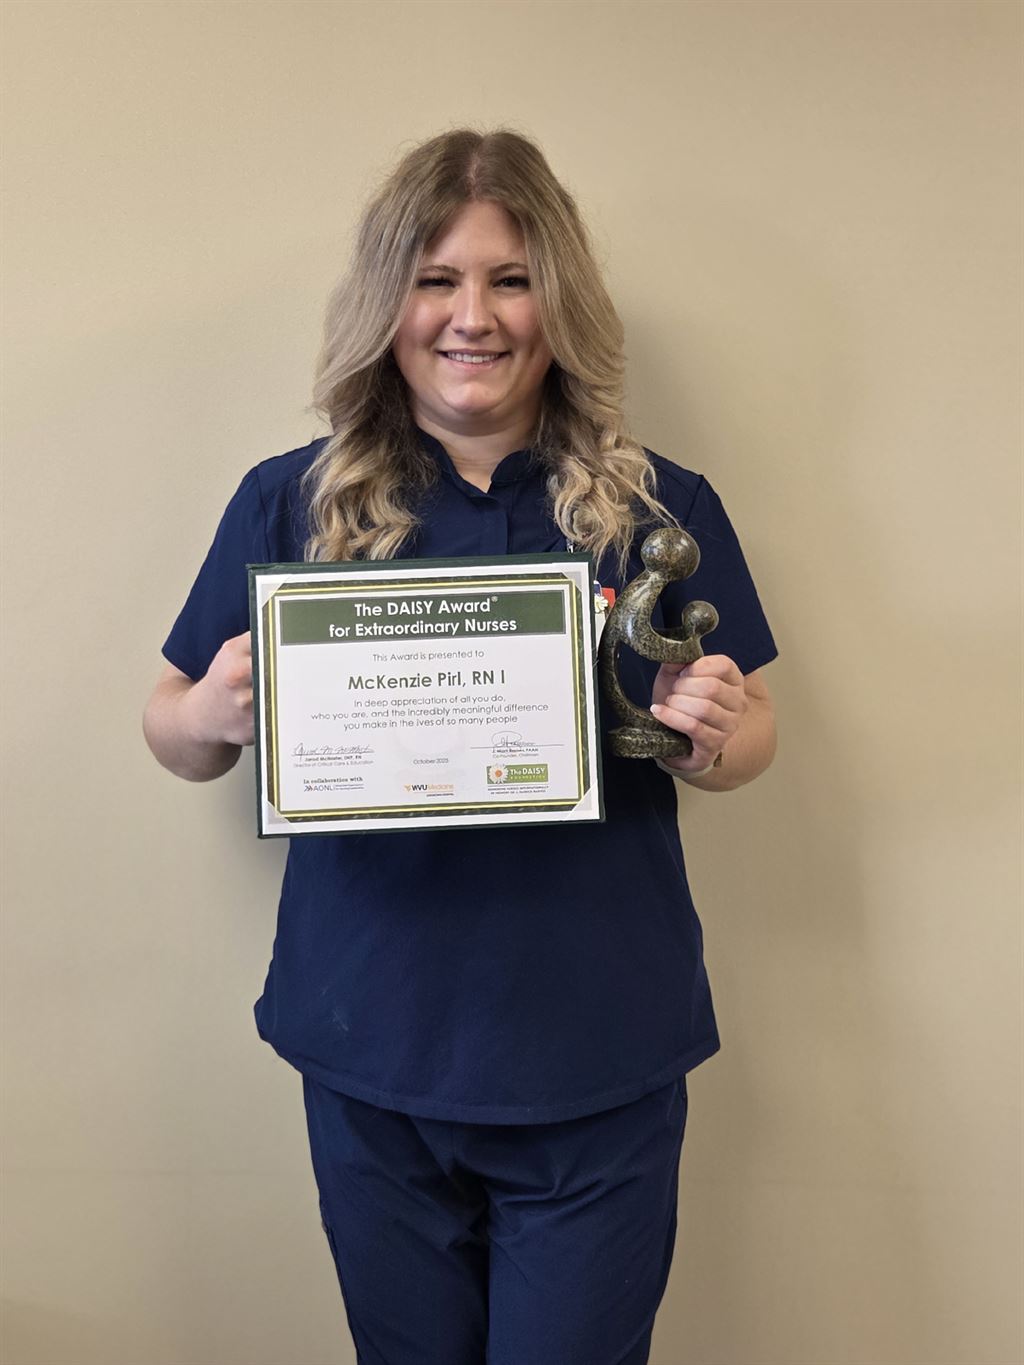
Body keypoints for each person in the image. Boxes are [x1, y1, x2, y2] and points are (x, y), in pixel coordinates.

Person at [144, 129, 777, 1365]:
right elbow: (171, 725)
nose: (470, 317)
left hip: (597, 1051)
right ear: (388, 303)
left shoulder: (662, 505)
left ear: (560, 300)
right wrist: (209, 717)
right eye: (435, 280)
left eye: (509, 277)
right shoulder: (293, 496)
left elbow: (749, 728)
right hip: (370, 1041)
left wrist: (717, 736)